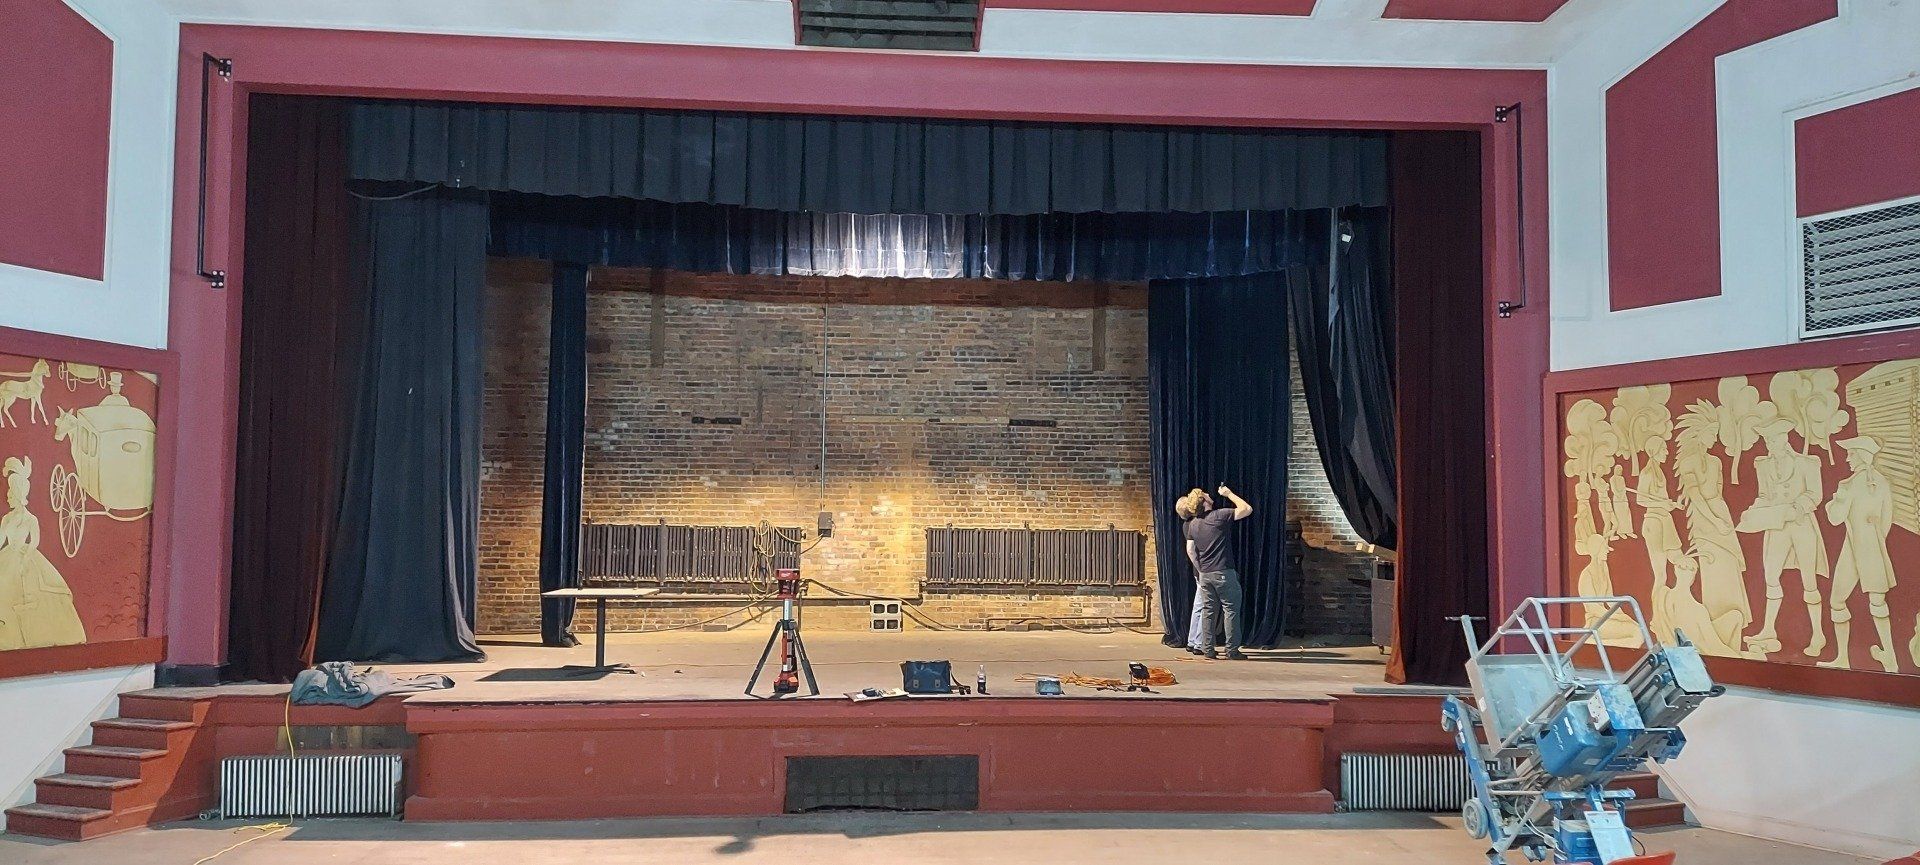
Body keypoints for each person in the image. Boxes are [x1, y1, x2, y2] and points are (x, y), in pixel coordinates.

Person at [1176, 484, 1252, 660]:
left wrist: (1201, 568)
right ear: (1205, 501)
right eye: (1205, 494)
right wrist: (1229, 493)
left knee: (1208, 612)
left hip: (1205, 575)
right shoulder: (1219, 516)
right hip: (1223, 572)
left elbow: (1191, 551)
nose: (1209, 494)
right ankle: (1232, 650)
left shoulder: (1193, 525)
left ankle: (1208, 650)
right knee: (1231, 610)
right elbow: (1246, 509)